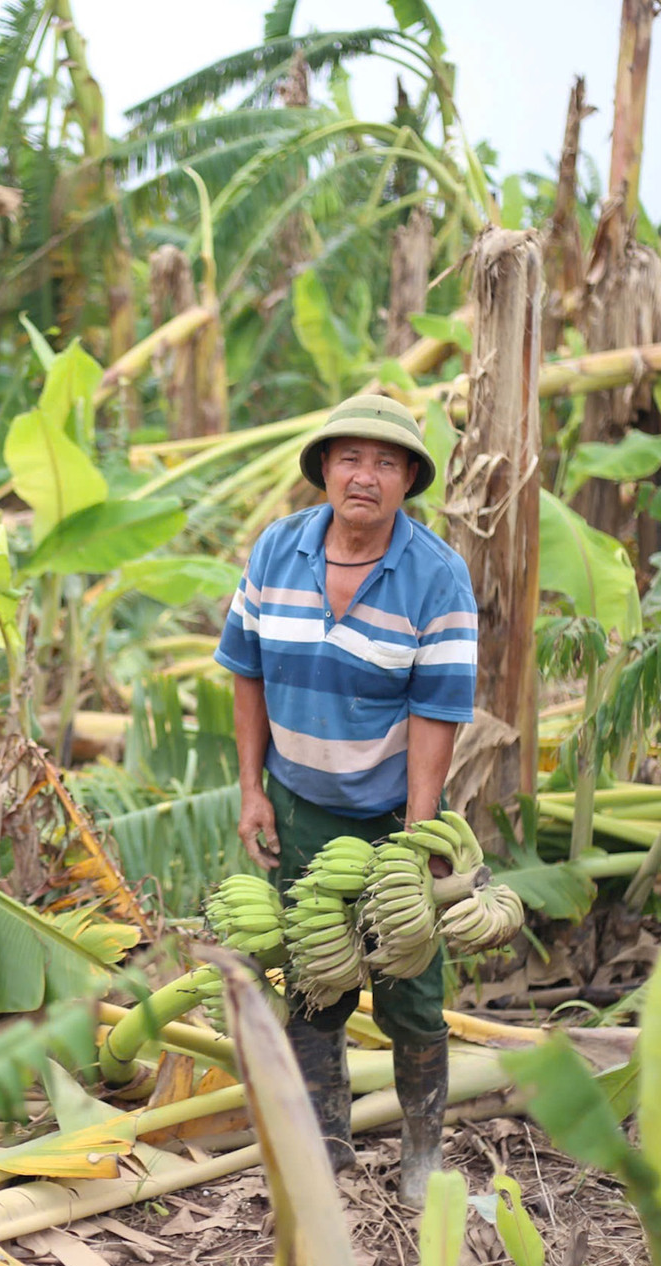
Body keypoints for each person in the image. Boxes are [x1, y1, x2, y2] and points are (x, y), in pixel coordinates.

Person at [212, 392, 477, 1207]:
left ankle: (422, 1159)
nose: (366, 476)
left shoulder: (436, 576)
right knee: (314, 979)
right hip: (299, 802)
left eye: (386, 462)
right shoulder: (276, 551)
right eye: (351, 458)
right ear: (326, 468)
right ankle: (325, 1155)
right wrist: (253, 789)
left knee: (411, 987)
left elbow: (437, 709)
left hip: (390, 808)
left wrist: (419, 834)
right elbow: (246, 669)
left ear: (407, 480)